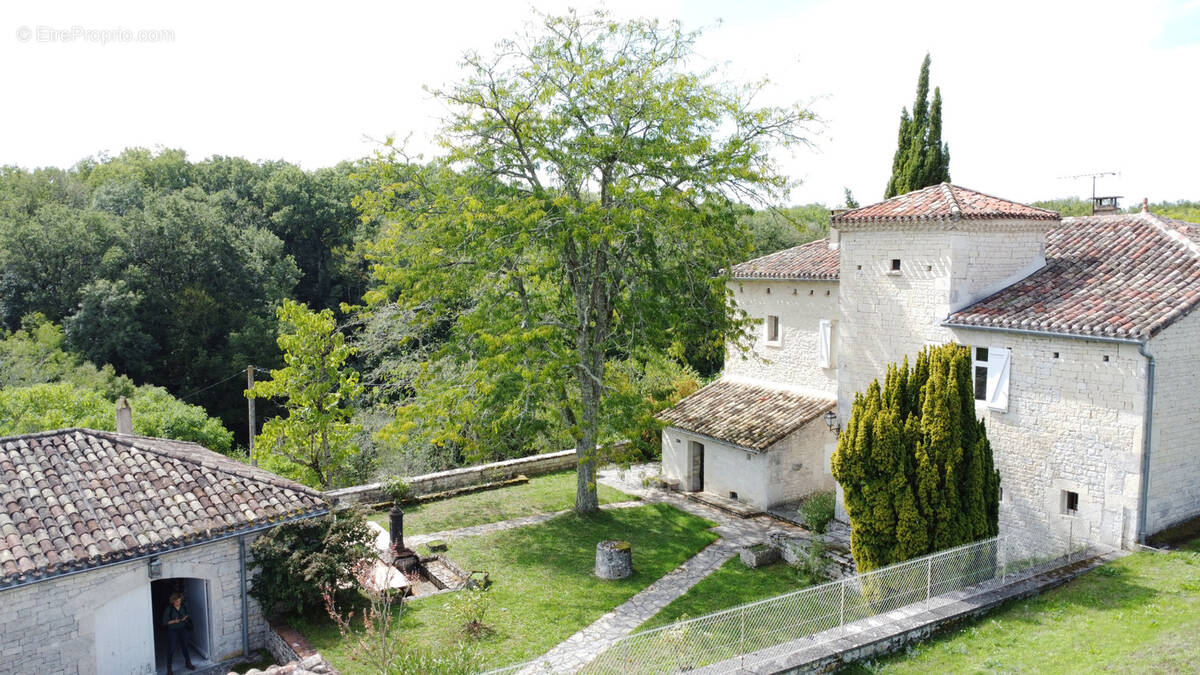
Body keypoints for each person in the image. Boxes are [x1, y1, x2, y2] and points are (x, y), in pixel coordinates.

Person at [162, 591, 195, 673]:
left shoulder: (183, 606)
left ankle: (188, 663)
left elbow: (187, 614)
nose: (178, 603)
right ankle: (169, 669)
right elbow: (165, 622)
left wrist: (185, 618)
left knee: (185, 647)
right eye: (177, 601)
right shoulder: (169, 609)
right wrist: (174, 621)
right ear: (173, 601)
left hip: (183, 629)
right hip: (173, 630)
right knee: (171, 649)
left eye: (180, 601)